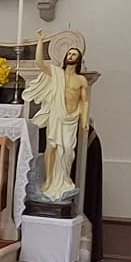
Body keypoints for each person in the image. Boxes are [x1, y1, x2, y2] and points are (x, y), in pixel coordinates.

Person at [26, 41, 89, 202]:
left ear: (79, 59)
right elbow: (40, 63)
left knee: (67, 149)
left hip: (71, 118)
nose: (71, 56)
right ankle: (49, 180)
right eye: (69, 54)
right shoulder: (56, 74)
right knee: (52, 146)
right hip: (56, 114)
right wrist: (40, 41)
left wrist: (84, 119)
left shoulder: (81, 80)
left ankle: (64, 177)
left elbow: (84, 101)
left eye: (74, 54)